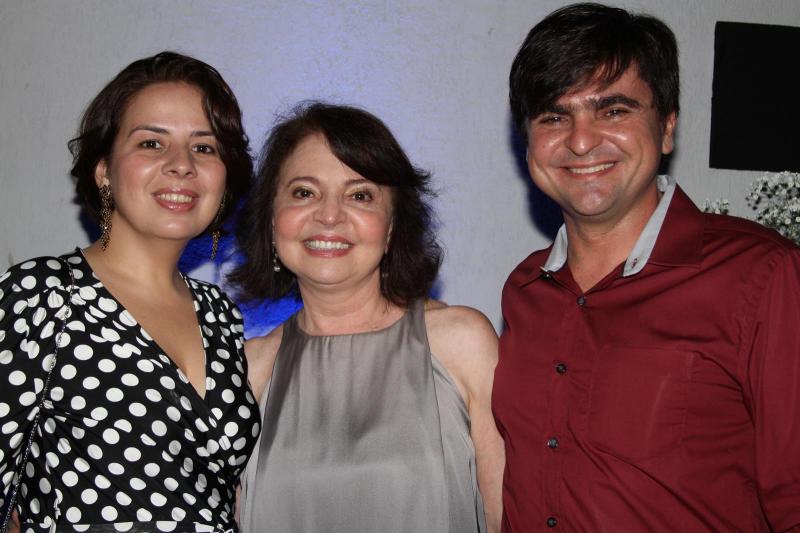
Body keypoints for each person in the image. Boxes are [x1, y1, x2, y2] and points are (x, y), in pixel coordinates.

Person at [493, 3, 800, 531]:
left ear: (667, 128)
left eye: (613, 111)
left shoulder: (763, 276)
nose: (581, 140)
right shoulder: (524, 291)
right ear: (528, 145)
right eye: (554, 116)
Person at [0, 51, 261, 532]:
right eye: (151, 143)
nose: (181, 165)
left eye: (204, 148)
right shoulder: (42, 296)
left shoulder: (220, 314)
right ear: (103, 169)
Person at [231, 102, 504, 532]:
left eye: (360, 195)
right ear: (270, 220)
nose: (329, 215)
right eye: (304, 192)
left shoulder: (461, 342)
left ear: (392, 226)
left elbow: (508, 517)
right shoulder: (248, 371)